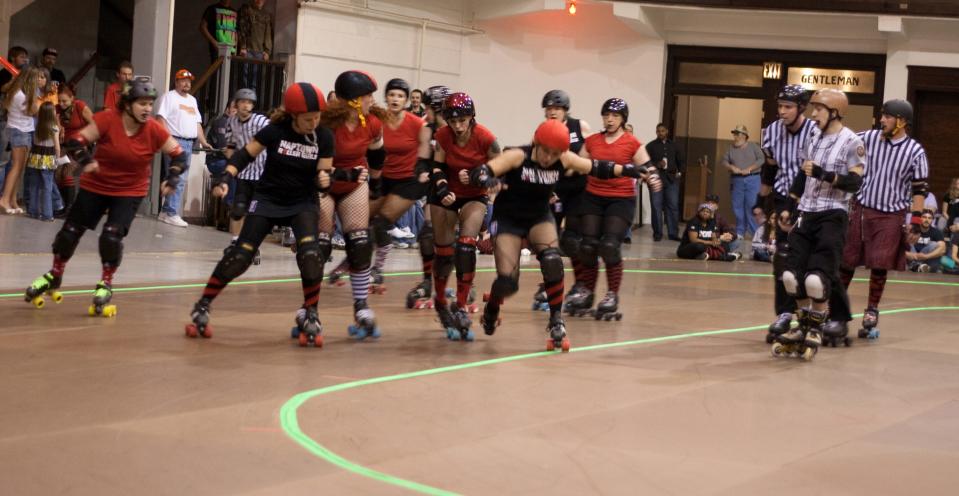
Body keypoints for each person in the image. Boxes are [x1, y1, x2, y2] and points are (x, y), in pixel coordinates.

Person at [475, 119, 652, 349]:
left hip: (538, 216)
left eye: (555, 153)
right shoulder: (518, 156)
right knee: (508, 282)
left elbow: (596, 167)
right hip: (508, 219)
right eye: (546, 151)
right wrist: (487, 179)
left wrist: (627, 169)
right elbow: (481, 171)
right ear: (536, 143)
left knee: (552, 261)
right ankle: (492, 307)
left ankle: (556, 321)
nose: (549, 158)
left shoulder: (565, 158)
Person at [23, 78, 186, 316]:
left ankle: (106, 283)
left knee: (111, 236)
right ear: (127, 104)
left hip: (129, 191)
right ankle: (55, 275)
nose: (147, 109)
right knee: (69, 233)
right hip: (96, 186)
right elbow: (75, 141)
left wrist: (172, 178)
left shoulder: (153, 129)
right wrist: (87, 161)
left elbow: (179, 156)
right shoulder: (108, 119)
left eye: (150, 104)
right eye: (142, 103)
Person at [185, 82, 333, 343]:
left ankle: (311, 312)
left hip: (303, 202)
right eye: (308, 119)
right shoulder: (275, 131)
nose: (314, 123)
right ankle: (203, 304)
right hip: (268, 199)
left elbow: (324, 172)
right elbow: (244, 156)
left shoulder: (324, 136)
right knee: (240, 255)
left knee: (311, 254)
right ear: (294, 115)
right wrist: (225, 178)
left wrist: (324, 179)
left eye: (317, 117)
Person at [776, 88, 864, 358]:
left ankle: (816, 325)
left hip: (833, 214)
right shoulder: (813, 136)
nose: (813, 115)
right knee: (791, 277)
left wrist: (824, 174)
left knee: (816, 280)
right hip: (807, 211)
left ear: (834, 112)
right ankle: (801, 325)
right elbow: (804, 175)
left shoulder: (852, 142)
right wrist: (789, 207)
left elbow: (855, 181)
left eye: (819, 110)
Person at [839, 99, 929, 338]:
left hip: (891, 214)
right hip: (861, 208)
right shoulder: (867, 138)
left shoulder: (915, 151)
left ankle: (872, 309)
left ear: (901, 122)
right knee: (846, 261)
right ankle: (835, 307)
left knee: (879, 264)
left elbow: (919, 189)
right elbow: (841, 138)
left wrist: (916, 222)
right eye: (883, 116)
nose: (882, 120)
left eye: (888, 117)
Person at [565, 98, 661, 320]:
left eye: (615, 116)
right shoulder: (593, 141)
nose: (609, 119)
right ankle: (587, 291)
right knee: (588, 246)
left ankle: (611, 294)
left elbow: (647, 167)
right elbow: (579, 165)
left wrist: (653, 178)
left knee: (609, 245)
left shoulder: (631, 142)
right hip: (592, 196)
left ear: (623, 119)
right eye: (606, 115)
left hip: (620, 199)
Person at [321, 70, 387, 339]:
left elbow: (378, 154)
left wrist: (376, 182)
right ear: (352, 100)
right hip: (324, 182)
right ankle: (309, 307)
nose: (372, 100)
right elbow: (316, 164)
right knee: (318, 248)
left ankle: (361, 305)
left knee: (360, 242)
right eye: (367, 96)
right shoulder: (326, 124)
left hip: (354, 183)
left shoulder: (371, 123)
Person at [428, 91, 500, 339]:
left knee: (466, 247)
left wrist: (480, 176)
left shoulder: (486, 138)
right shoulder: (442, 135)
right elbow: (436, 166)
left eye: (463, 120)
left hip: (474, 195)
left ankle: (459, 305)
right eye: (453, 121)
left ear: (472, 117)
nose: (458, 126)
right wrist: (442, 187)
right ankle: (439, 300)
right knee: (444, 253)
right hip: (446, 193)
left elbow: (499, 174)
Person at [757, 84, 818, 341]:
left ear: (801, 108)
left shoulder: (815, 132)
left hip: (812, 201)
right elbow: (770, 170)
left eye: (788, 107)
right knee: (782, 259)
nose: (781, 111)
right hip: (783, 199)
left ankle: (817, 316)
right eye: (779, 106)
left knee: (810, 263)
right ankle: (784, 314)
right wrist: (761, 201)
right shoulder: (770, 132)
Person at [537, 89, 591, 312]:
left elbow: (592, 153)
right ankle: (550, 283)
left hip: (579, 190)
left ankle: (580, 284)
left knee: (571, 240)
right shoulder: (542, 131)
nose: (552, 112)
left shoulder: (580, 127)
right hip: (555, 190)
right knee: (548, 242)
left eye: (556, 109)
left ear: (565, 111)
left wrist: (575, 165)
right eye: (549, 109)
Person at [405, 84, 450, 309]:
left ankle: (464, 283)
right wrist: (421, 170)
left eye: (428, 107)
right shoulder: (427, 129)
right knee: (427, 234)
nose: (425, 111)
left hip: (458, 184)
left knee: (455, 240)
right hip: (436, 183)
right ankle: (427, 281)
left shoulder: (458, 127)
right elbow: (422, 158)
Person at [155, 69, 211, 227]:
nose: (187, 83)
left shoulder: (192, 100)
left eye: (189, 81)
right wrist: (168, 140)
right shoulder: (169, 97)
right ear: (176, 81)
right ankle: (171, 213)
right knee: (176, 177)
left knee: (180, 178)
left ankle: (166, 212)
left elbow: (197, 123)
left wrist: (204, 141)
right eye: (183, 80)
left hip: (189, 142)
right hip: (175, 140)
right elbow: (161, 119)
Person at [224, 88, 269, 241]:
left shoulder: (261, 121)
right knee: (238, 209)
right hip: (243, 173)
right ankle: (236, 240)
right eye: (243, 102)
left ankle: (251, 242)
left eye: (249, 102)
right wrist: (230, 164)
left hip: (261, 173)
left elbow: (274, 135)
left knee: (255, 212)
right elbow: (231, 144)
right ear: (236, 104)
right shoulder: (231, 121)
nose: (246, 105)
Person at [1, 66, 41, 214]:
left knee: (20, 168)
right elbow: (34, 111)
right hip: (20, 131)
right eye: (36, 78)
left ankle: (12, 200)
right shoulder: (21, 96)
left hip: (21, 130)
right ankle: (4, 199)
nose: (39, 81)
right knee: (16, 167)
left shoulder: (17, 92)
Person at [56, 85, 95, 213]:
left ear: (72, 98)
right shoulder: (57, 109)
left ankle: (69, 208)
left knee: (68, 172)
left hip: (80, 146)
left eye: (64, 101)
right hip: (65, 146)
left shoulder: (80, 106)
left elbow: (95, 124)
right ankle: (64, 205)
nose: (61, 104)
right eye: (59, 100)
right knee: (58, 173)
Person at [721, 124, 764, 238]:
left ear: (744, 136)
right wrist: (731, 167)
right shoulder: (731, 148)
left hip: (753, 179)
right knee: (737, 205)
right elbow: (724, 161)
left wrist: (749, 169)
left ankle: (755, 233)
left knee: (752, 205)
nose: (735, 136)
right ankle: (740, 231)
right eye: (734, 134)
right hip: (737, 180)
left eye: (737, 134)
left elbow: (761, 159)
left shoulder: (754, 146)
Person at [645, 123, 684, 241]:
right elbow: (646, 163)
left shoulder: (675, 145)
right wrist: (657, 164)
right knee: (656, 206)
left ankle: (673, 233)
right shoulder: (650, 146)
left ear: (666, 131)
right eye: (658, 131)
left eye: (662, 131)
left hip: (672, 179)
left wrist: (680, 173)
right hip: (656, 179)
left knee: (673, 206)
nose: (660, 133)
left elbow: (681, 161)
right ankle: (657, 233)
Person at [24, 102, 60, 221]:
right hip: (48, 159)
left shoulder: (36, 125)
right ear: (51, 113)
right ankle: (47, 214)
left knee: (33, 186)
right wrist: (58, 160)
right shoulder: (54, 127)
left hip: (35, 158)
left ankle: (33, 211)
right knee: (47, 187)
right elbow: (57, 147)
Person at [237, 0, 273, 90]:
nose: (259, 0)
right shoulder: (246, 9)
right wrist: (243, 46)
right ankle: (243, 101)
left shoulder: (266, 15)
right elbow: (242, 28)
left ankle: (251, 102)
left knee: (255, 81)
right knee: (244, 79)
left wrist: (267, 51)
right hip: (247, 50)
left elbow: (268, 33)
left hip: (259, 52)